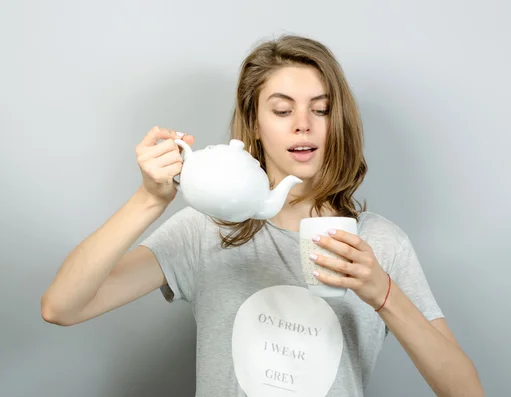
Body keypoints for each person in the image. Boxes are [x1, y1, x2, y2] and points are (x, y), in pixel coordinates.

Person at [41, 35, 484, 396]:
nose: (303, 124)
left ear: (337, 121)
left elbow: (465, 391)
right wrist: (149, 200)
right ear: (254, 122)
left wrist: (382, 292)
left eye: (321, 109)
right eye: (282, 109)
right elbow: (61, 307)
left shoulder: (381, 244)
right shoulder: (205, 230)